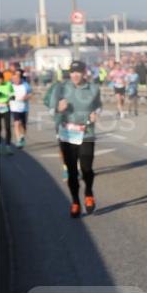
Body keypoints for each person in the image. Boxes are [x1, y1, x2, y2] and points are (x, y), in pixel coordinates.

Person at [49, 61, 102, 217]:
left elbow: (98, 105)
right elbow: (51, 110)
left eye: (78, 71)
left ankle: (89, 193)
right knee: (72, 171)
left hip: (86, 133)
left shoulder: (93, 88)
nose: (75, 75)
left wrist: (96, 113)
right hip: (67, 134)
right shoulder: (61, 88)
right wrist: (58, 109)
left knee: (86, 168)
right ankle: (75, 202)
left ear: (84, 72)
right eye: (72, 72)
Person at [9, 69, 32, 148]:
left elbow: (30, 94)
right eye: (14, 79)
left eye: (17, 78)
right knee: (16, 123)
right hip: (14, 108)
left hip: (24, 108)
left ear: (20, 78)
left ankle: (22, 137)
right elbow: (6, 94)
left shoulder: (25, 85)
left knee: (23, 125)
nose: (15, 80)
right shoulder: (10, 85)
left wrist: (25, 97)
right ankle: (19, 140)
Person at [0, 72, 13, 155]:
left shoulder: (8, 84)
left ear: (3, 78)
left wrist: (11, 98)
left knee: (8, 127)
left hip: (6, 108)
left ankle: (8, 146)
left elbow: (13, 93)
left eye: (1, 79)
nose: (0, 81)